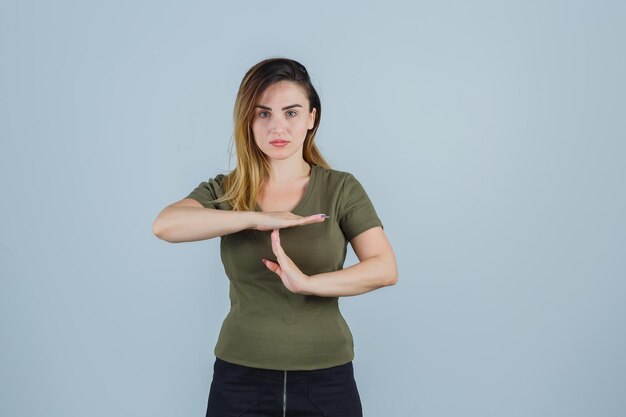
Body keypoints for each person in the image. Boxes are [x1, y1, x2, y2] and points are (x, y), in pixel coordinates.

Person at [152, 57, 399, 417]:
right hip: (239, 380)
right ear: (248, 121)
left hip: (326, 380)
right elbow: (166, 225)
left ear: (312, 118)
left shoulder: (340, 188)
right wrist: (255, 217)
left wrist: (307, 283)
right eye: (263, 114)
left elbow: (384, 268)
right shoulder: (226, 190)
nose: (277, 127)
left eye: (291, 113)